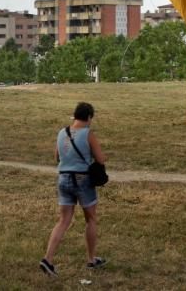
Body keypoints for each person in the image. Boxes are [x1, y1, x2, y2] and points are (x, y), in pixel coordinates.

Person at [40, 102, 107, 277]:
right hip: (82, 179)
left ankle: (48, 259)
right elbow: (101, 159)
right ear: (89, 117)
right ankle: (91, 259)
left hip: (63, 178)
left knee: (63, 221)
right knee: (91, 219)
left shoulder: (62, 132)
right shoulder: (88, 134)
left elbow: (56, 156)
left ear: (75, 115)